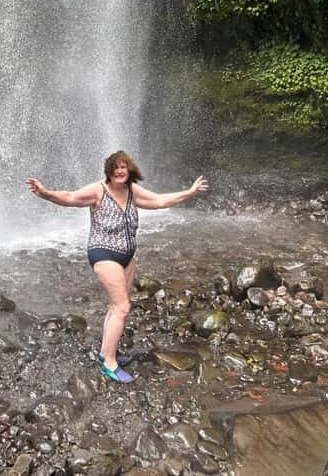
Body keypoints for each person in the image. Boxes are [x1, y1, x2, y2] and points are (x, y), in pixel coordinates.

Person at [26, 150, 208, 383]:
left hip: (127, 257)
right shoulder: (98, 190)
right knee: (122, 308)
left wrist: (190, 192)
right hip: (103, 254)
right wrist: (44, 193)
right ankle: (109, 363)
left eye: (124, 167)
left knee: (115, 307)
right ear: (109, 171)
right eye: (116, 167)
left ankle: (106, 351)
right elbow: (70, 197)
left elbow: (160, 200)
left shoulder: (132, 191)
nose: (120, 171)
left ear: (130, 170)